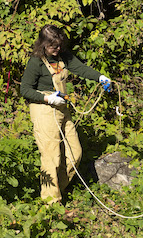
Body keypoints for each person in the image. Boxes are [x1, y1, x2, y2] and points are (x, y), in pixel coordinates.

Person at [19, 24, 113, 204]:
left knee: (75, 153)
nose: (57, 49)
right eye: (53, 46)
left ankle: (57, 189)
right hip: (43, 110)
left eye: (59, 45)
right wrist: (48, 99)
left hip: (62, 110)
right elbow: (24, 90)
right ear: (43, 44)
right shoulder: (36, 62)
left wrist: (100, 77)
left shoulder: (64, 56)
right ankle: (51, 203)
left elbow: (81, 68)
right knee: (51, 156)